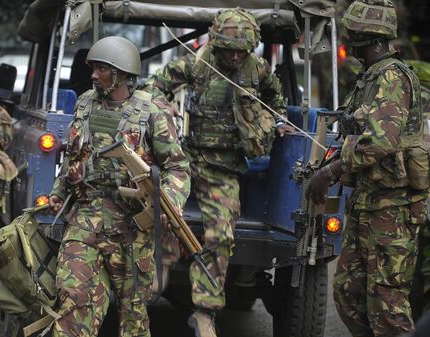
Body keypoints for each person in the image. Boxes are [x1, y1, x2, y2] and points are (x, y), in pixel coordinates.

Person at [146, 8, 293, 336]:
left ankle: (204, 313)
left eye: (242, 49)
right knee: (164, 212)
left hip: (224, 166)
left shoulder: (257, 70)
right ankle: (162, 264)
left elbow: (276, 101)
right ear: (218, 42)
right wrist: (162, 106)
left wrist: (276, 122)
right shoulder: (198, 61)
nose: (236, 55)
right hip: (187, 158)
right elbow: (154, 87)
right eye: (230, 49)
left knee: (221, 235)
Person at [48, 36, 190, 337]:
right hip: (84, 221)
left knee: (133, 318)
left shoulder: (151, 112)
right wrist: (59, 192)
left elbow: (177, 167)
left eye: (101, 69)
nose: (94, 75)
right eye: (94, 68)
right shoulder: (85, 103)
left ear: (122, 73)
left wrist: (171, 201)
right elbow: (75, 154)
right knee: (72, 304)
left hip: (130, 229)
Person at [306, 1, 427, 336]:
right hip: (368, 203)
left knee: (387, 304)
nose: (350, 43)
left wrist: (329, 174)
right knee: (348, 293)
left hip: (392, 209)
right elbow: (355, 134)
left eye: (355, 37)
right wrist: (331, 164)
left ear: (373, 40)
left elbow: (380, 142)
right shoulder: (370, 78)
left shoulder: (391, 76)